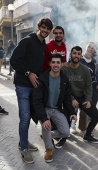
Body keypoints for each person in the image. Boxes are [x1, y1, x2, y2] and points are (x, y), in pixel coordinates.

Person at [10, 18, 53, 164]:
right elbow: (14, 60)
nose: (45, 31)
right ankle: (23, 148)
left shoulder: (42, 45)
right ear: (38, 26)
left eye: (48, 29)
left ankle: (24, 142)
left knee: (29, 117)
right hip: (22, 85)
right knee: (25, 116)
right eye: (44, 27)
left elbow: (38, 66)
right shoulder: (27, 41)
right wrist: (28, 73)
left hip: (34, 87)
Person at [32, 54, 77, 163]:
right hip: (44, 109)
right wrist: (43, 118)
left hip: (56, 109)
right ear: (50, 64)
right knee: (46, 126)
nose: (55, 65)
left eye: (58, 62)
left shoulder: (64, 79)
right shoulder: (42, 79)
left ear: (62, 64)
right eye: (53, 62)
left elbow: (66, 97)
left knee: (66, 132)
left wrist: (72, 112)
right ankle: (48, 149)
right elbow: (36, 101)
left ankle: (46, 136)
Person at [62, 46, 98, 143]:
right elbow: (63, 88)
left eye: (78, 54)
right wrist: (72, 99)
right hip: (69, 98)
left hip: (82, 98)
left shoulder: (85, 70)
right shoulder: (64, 69)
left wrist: (88, 100)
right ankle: (63, 137)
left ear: (80, 56)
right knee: (66, 120)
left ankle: (87, 135)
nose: (76, 56)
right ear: (71, 54)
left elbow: (89, 86)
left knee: (96, 116)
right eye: (74, 53)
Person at [78, 42, 98, 134]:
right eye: (89, 47)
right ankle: (78, 127)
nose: (90, 49)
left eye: (92, 48)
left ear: (94, 51)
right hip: (79, 89)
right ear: (85, 48)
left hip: (91, 89)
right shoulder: (79, 59)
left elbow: (95, 76)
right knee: (80, 109)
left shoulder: (94, 62)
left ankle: (87, 127)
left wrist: (97, 85)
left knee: (90, 109)